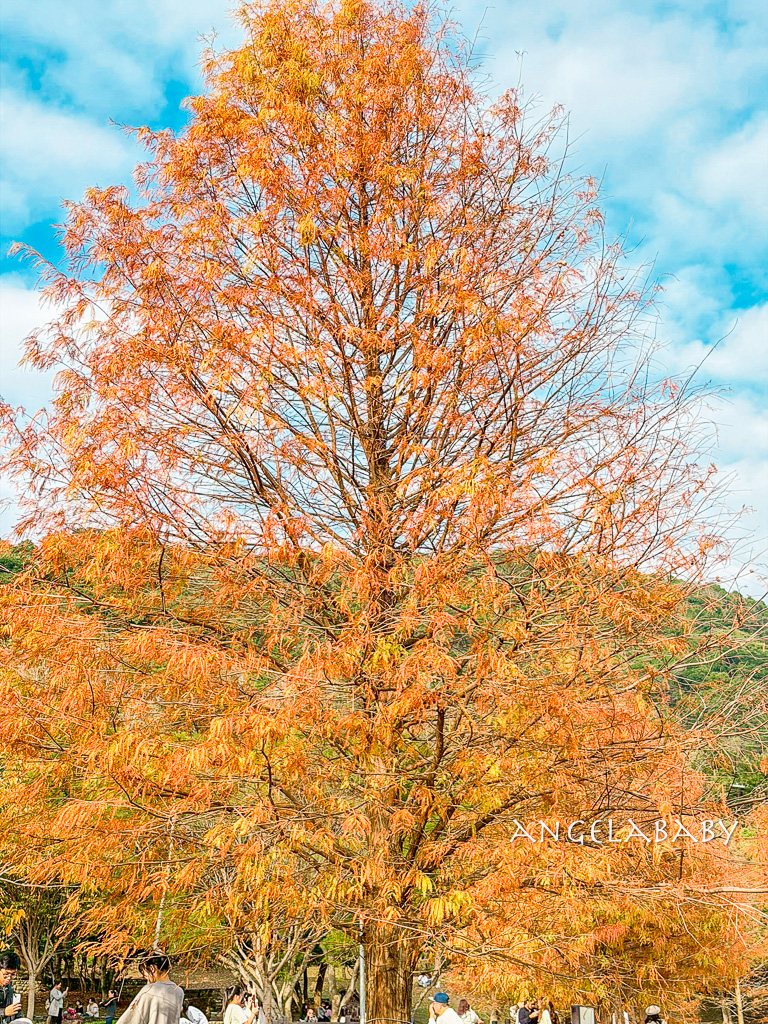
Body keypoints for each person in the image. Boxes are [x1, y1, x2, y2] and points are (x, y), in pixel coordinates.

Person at [115, 953, 183, 1024]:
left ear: (152, 968)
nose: (146, 980)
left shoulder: (150, 990)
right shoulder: (179, 991)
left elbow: (131, 1018)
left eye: (145, 975)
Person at [0, 953, 32, 1024]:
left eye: (13, 974)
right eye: (6, 974)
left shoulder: (9, 988)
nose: (9, 978)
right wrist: (3, 1012)